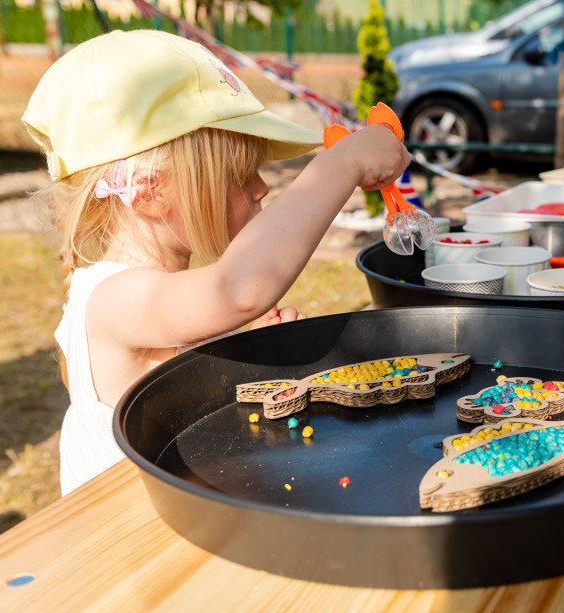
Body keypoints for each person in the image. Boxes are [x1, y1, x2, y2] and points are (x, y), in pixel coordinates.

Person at [22, 30, 409, 496]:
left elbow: (199, 417)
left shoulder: (169, 295)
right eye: (241, 175)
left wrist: (250, 364)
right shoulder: (113, 299)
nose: (262, 187)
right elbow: (239, 290)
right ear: (149, 192)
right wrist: (340, 165)